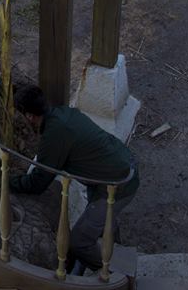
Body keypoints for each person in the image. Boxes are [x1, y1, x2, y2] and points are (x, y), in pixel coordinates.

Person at [10, 84, 139, 272]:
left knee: (78, 242)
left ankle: (112, 277)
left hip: (118, 184)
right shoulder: (62, 114)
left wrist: (7, 181)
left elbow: (37, 183)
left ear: (29, 116)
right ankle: (114, 249)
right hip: (121, 166)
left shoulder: (55, 135)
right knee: (102, 220)